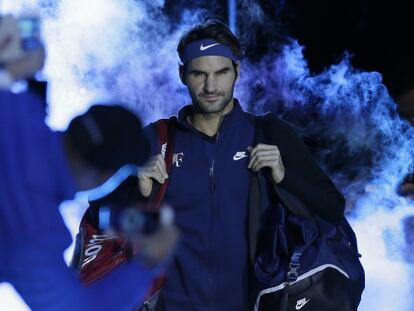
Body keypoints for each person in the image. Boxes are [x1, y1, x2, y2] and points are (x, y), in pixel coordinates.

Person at [137, 19, 346, 310]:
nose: (211, 86)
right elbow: (100, 217)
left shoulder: (270, 133)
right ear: (183, 74)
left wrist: (285, 178)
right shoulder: (157, 139)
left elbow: (332, 208)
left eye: (221, 72)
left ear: (237, 71)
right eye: (199, 74)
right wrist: (135, 191)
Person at [0, 15, 177, 311]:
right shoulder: (37, 234)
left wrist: (11, 70)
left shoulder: (18, 107)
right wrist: (149, 262)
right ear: (108, 175)